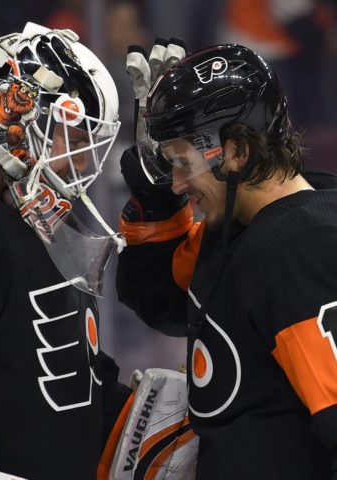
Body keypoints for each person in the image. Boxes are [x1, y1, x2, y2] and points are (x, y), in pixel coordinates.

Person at [116, 42, 337, 478]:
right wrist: (157, 203)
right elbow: (162, 301)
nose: (176, 183)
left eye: (182, 162)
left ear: (236, 151)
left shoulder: (301, 248)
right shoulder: (239, 224)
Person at [0, 21, 132, 479]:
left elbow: (61, 374)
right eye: (74, 143)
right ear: (8, 114)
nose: (80, 167)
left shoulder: (33, 214)